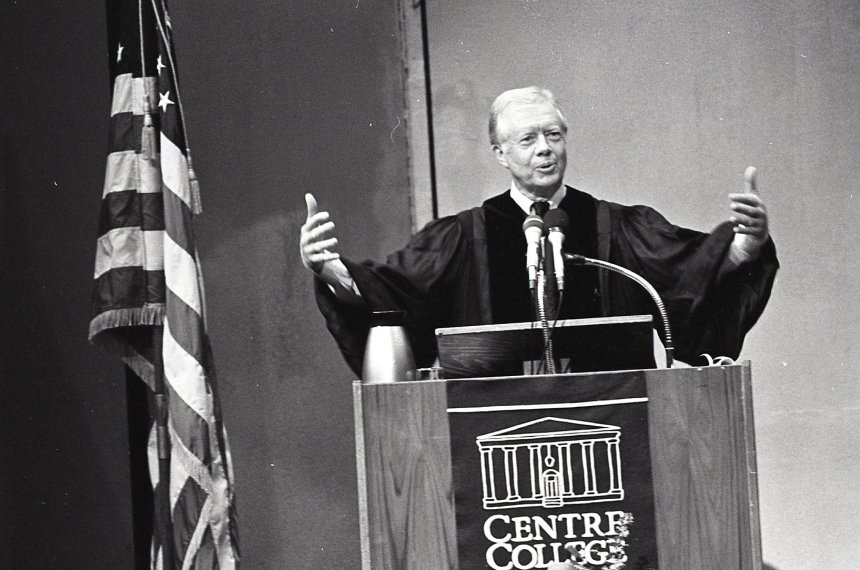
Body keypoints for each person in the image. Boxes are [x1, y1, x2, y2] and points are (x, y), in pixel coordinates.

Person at [300, 86, 778, 377]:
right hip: (492, 431)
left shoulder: (617, 226)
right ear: (500, 154)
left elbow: (686, 273)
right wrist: (333, 270)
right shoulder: (464, 237)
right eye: (527, 139)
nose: (545, 149)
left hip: (612, 420)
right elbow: (394, 289)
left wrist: (743, 246)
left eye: (553, 135)